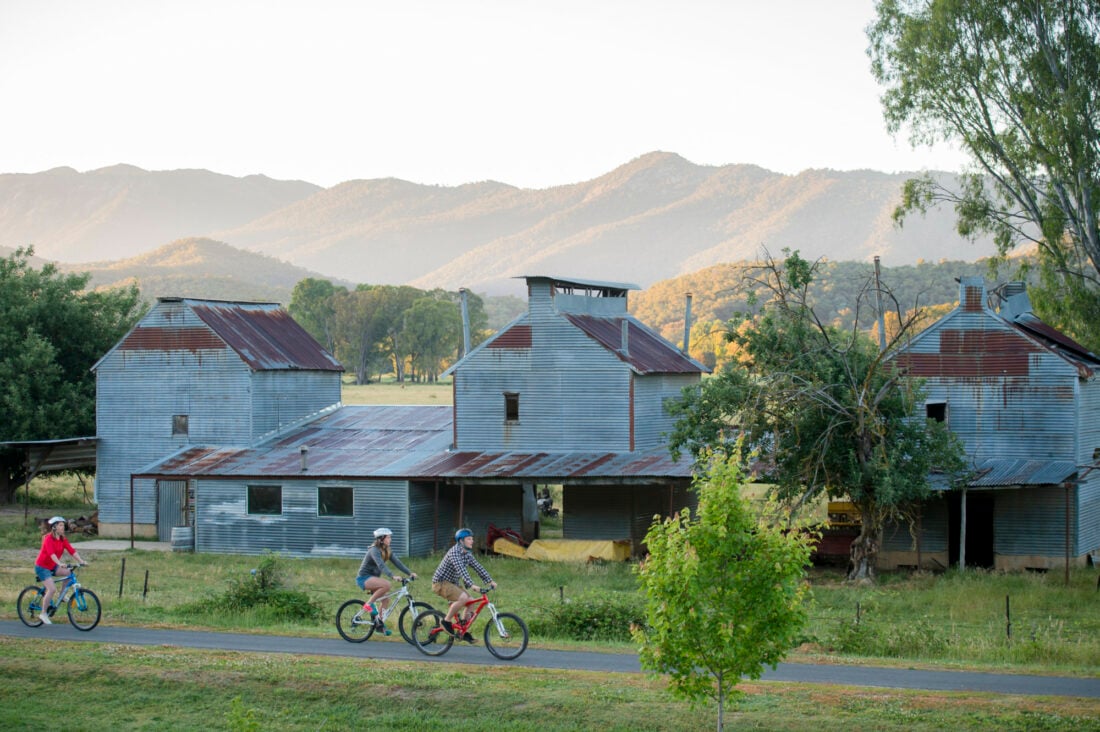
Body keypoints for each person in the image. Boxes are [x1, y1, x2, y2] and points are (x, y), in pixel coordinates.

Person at [431, 527, 497, 643]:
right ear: (461, 541)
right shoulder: (454, 553)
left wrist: (490, 581)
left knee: (470, 602)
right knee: (463, 598)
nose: (472, 541)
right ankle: (446, 621)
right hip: (440, 583)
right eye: (469, 539)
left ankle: (462, 631)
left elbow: (478, 567)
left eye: (472, 539)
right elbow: (462, 570)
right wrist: (471, 585)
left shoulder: (467, 553)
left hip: (452, 584)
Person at [356, 528, 416, 636]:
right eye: (388, 537)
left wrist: (409, 573)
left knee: (386, 600)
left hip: (373, 579)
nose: (390, 539)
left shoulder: (387, 550)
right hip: (364, 578)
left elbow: (398, 562)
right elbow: (381, 565)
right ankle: (368, 605)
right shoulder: (373, 550)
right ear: (381, 539)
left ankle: (379, 625)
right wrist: (392, 576)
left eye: (390, 537)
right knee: (387, 584)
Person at [34, 516, 86, 625]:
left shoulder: (62, 539)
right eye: (61, 525)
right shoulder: (48, 538)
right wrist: (60, 563)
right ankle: (43, 614)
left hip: (53, 565)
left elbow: (71, 550)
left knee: (68, 572)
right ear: (54, 527)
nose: (63, 527)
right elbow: (51, 553)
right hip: (42, 566)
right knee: (51, 589)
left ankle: (62, 595)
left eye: (63, 525)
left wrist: (81, 561)